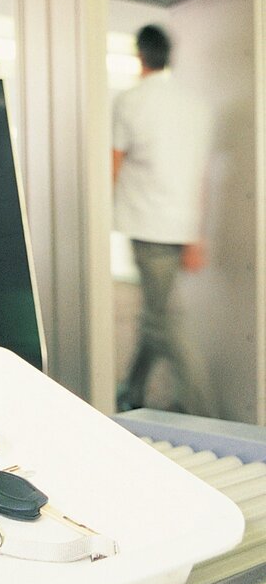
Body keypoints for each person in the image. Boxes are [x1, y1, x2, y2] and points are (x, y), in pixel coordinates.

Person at [112, 24, 211, 412]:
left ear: (140, 56)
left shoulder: (131, 101)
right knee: (156, 312)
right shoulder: (193, 104)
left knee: (165, 320)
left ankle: (207, 413)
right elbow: (200, 174)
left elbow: (113, 166)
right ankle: (132, 393)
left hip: (148, 228)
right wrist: (196, 236)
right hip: (182, 226)